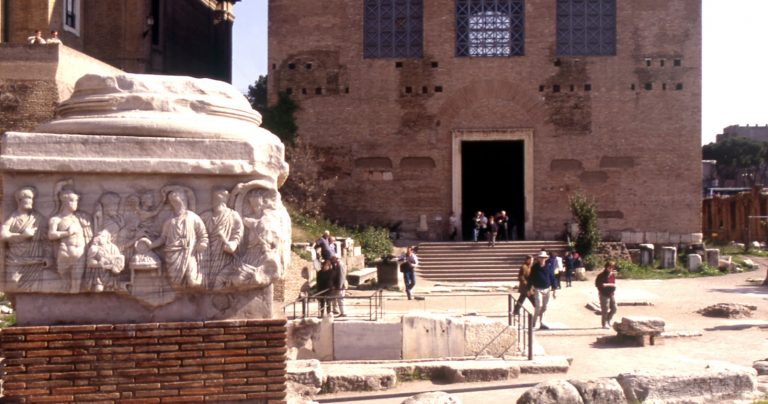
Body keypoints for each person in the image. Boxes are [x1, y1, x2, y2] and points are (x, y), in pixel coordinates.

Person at [137, 188, 208, 290]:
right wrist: (151, 244)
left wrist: (202, 243)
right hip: (172, 254)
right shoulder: (169, 222)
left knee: (193, 282)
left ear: (184, 202)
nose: (177, 206)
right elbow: (162, 239)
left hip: (189, 253)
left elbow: (203, 234)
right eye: (173, 203)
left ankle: (202, 277)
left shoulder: (193, 217)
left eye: (178, 202)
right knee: (175, 285)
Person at [1, 187, 52, 291]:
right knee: (13, 284)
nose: (31, 201)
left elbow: (46, 241)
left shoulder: (38, 218)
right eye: (28, 198)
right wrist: (22, 236)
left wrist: (48, 257)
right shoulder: (13, 218)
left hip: (35, 262)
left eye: (32, 198)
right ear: (19, 200)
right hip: (15, 261)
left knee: (34, 289)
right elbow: (2, 235)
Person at [48, 186, 92, 293]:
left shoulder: (79, 218)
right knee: (64, 285)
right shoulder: (56, 219)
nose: (76, 203)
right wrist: (67, 233)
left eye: (76, 200)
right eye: (73, 200)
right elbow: (51, 235)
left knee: (76, 287)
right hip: (65, 254)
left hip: (80, 255)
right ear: (65, 202)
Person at [200, 188, 243, 288]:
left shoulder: (233, 216)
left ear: (225, 201)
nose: (216, 202)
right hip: (207, 254)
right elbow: (196, 228)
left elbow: (238, 233)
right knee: (207, 278)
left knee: (220, 278)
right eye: (214, 199)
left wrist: (233, 243)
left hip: (224, 255)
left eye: (219, 200)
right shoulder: (206, 216)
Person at [530, 250, 556, 329]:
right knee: (539, 306)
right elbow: (531, 278)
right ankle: (533, 322)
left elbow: (552, 278)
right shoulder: (534, 267)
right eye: (540, 258)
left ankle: (542, 323)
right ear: (538, 258)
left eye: (543, 258)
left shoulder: (549, 267)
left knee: (545, 307)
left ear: (546, 258)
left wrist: (554, 290)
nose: (542, 259)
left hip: (547, 289)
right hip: (538, 289)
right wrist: (530, 288)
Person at [595, 261, 617, 329]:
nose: (611, 269)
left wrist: (612, 286)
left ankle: (608, 320)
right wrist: (608, 285)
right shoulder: (601, 275)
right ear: (606, 267)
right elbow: (598, 284)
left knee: (614, 308)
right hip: (604, 294)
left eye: (612, 268)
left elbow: (613, 283)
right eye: (609, 267)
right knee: (605, 310)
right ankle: (604, 324)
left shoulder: (612, 275)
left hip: (611, 294)